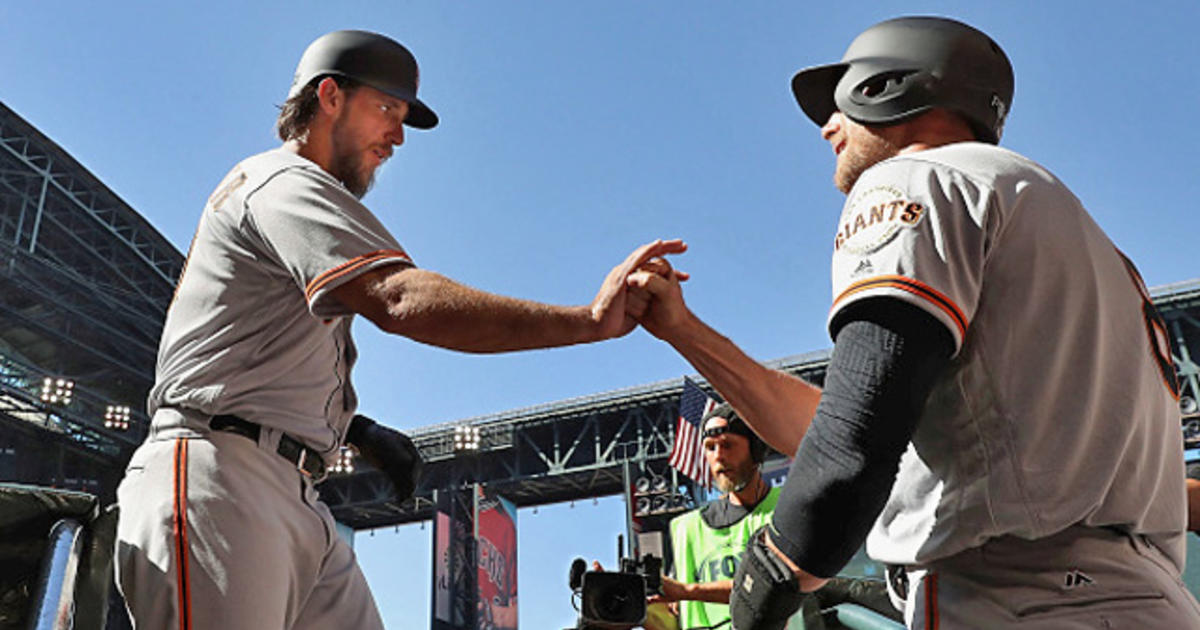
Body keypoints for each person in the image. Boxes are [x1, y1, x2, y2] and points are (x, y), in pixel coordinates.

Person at [627, 16, 1200, 629]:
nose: (827, 129)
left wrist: (772, 569)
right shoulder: (1071, 230)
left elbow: (853, 445)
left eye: (837, 108)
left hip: (1020, 601)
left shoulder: (918, 177)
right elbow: (848, 426)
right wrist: (685, 332)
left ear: (884, 88)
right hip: (1134, 597)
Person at [113, 30, 684, 630]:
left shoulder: (298, 198)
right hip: (220, 476)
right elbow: (400, 298)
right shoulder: (280, 182)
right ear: (329, 96)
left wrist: (354, 428)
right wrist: (588, 323)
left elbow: (254, 348)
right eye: (387, 108)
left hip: (291, 486)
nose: (398, 135)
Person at [653, 403, 779, 630]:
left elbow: (772, 588)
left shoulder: (786, 507)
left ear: (756, 449)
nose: (719, 456)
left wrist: (686, 591)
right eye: (710, 448)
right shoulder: (685, 529)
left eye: (728, 445)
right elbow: (674, 620)